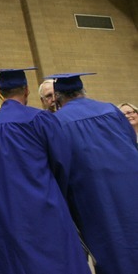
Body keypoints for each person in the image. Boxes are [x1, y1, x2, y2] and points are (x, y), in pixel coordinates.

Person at [0, 68, 91, 274]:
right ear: (27, 90)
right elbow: (61, 163)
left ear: (0, 92)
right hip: (41, 207)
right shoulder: (41, 119)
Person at [48, 73, 138, 274]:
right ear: (83, 91)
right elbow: (132, 142)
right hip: (131, 185)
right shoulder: (111, 110)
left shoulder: (56, 121)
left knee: (112, 249)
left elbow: (58, 164)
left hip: (93, 194)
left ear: (58, 98)